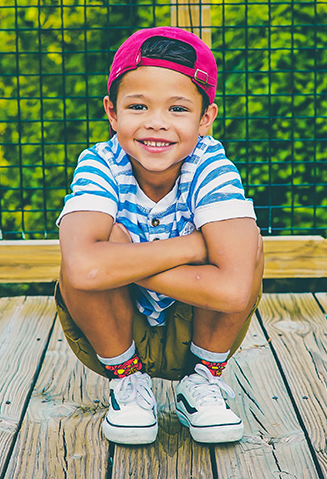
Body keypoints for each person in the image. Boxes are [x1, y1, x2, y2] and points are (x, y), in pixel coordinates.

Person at [56, 27, 263, 446]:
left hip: (196, 323)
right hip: (117, 328)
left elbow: (234, 291)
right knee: (93, 241)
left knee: (246, 242)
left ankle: (203, 384)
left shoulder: (212, 167)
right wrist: (191, 247)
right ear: (112, 114)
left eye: (178, 109)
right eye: (138, 106)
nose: (156, 123)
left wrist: (119, 262)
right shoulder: (99, 163)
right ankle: (128, 385)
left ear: (205, 118)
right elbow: (81, 269)